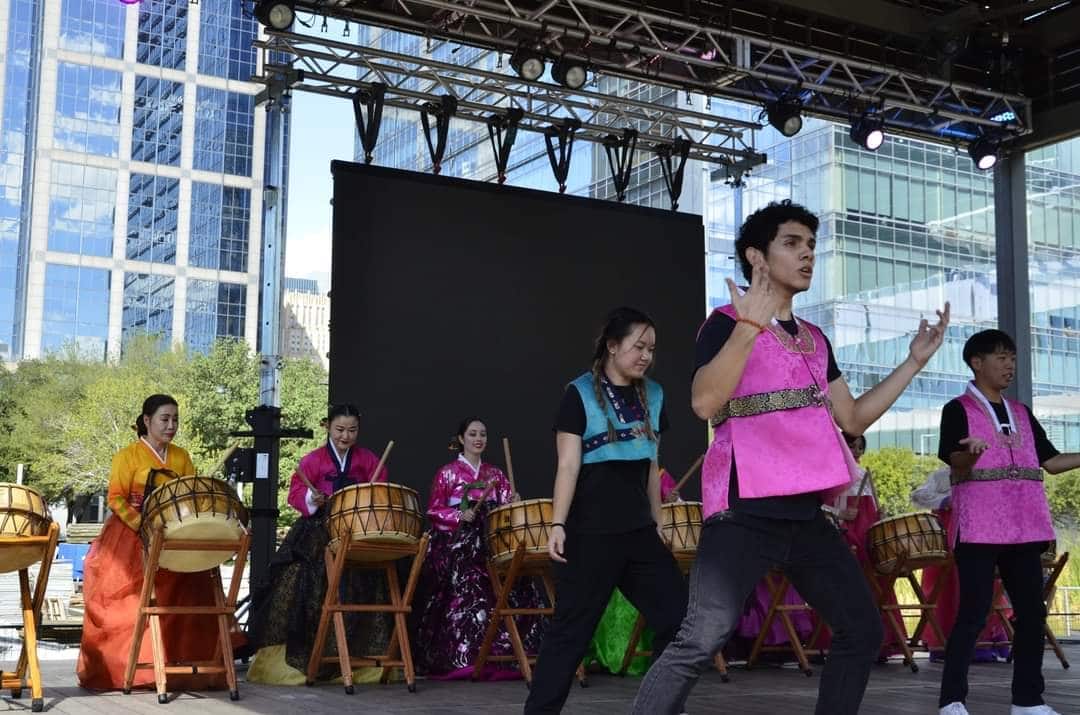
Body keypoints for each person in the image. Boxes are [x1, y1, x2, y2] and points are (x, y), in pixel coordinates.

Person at [633, 200, 950, 715]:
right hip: (743, 511)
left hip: (806, 515)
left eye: (811, 246)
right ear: (757, 257)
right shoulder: (723, 323)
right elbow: (703, 403)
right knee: (700, 638)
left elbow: (851, 419)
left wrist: (913, 362)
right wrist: (748, 328)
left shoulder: (815, 339)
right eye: (792, 243)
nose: (807, 255)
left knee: (862, 628)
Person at [524, 307, 689, 714]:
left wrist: (659, 521)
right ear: (612, 347)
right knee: (570, 637)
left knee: (680, 619)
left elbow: (652, 465)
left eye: (651, 348)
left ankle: (658, 705)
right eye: (638, 346)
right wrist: (557, 523)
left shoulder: (654, 394)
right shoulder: (577, 393)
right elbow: (567, 465)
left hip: (638, 534)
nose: (646, 355)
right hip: (589, 534)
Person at [936, 330, 1080, 715]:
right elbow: (954, 461)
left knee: (1033, 613)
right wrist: (971, 455)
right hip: (980, 526)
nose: (1009, 365)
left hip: (1025, 526)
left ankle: (1028, 700)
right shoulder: (957, 410)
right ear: (976, 362)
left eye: (1012, 358)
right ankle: (951, 700)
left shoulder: (1021, 413)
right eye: (1000, 357)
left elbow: (1050, 462)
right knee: (974, 612)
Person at [77, 394, 225, 690]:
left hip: (172, 534)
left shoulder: (181, 456)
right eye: (165, 419)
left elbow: (190, 495)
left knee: (184, 596)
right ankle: (127, 671)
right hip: (131, 535)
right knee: (127, 605)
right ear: (146, 421)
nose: (171, 426)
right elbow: (115, 498)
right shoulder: (127, 456)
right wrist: (141, 525)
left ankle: (176, 667)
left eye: (175, 420)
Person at [245, 404, 392, 685]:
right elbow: (296, 492)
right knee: (302, 582)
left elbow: (381, 490)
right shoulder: (313, 460)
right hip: (318, 530)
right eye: (339, 430)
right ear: (327, 427)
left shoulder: (369, 459)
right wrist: (313, 500)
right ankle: (306, 658)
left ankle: (361, 661)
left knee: (370, 583)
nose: (345, 436)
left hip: (358, 529)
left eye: (352, 430)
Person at [412, 417, 545, 679]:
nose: (478, 439)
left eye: (482, 434)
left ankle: (508, 655)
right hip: (458, 543)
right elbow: (433, 510)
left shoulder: (496, 474)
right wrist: (458, 516)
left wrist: (512, 503)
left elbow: (506, 513)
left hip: (490, 543)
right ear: (461, 439)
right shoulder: (447, 472)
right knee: (465, 584)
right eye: (472, 434)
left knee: (516, 582)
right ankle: (461, 658)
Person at [818, 432, 907, 659]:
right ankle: (836, 640)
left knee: (876, 583)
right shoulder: (830, 471)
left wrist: (880, 514)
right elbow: (818, 506)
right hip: (844, 533)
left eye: (859, 447)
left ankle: (882, 641)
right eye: (852, 446)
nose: (856, 452)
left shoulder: (865, 473)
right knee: (844, 584)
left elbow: (873, 504)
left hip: (867, 534)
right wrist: (841, 513)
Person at [585, 468, 680, 676]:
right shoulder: (617, 472)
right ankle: (615, 658)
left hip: (645, 547)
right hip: (619, 548)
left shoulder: (662, 475)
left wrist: (674, 500)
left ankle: (655, 678)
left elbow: (673, 509)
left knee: (672, 615)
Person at [911, 467, 1011, 663]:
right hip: (947, 538)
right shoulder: (942, 475)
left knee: (982, 585)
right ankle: (945, 644)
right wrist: (945, 501)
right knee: (946, 588)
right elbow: (918, 495)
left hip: (979, 534)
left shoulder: (987, 472)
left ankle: (985, 640)